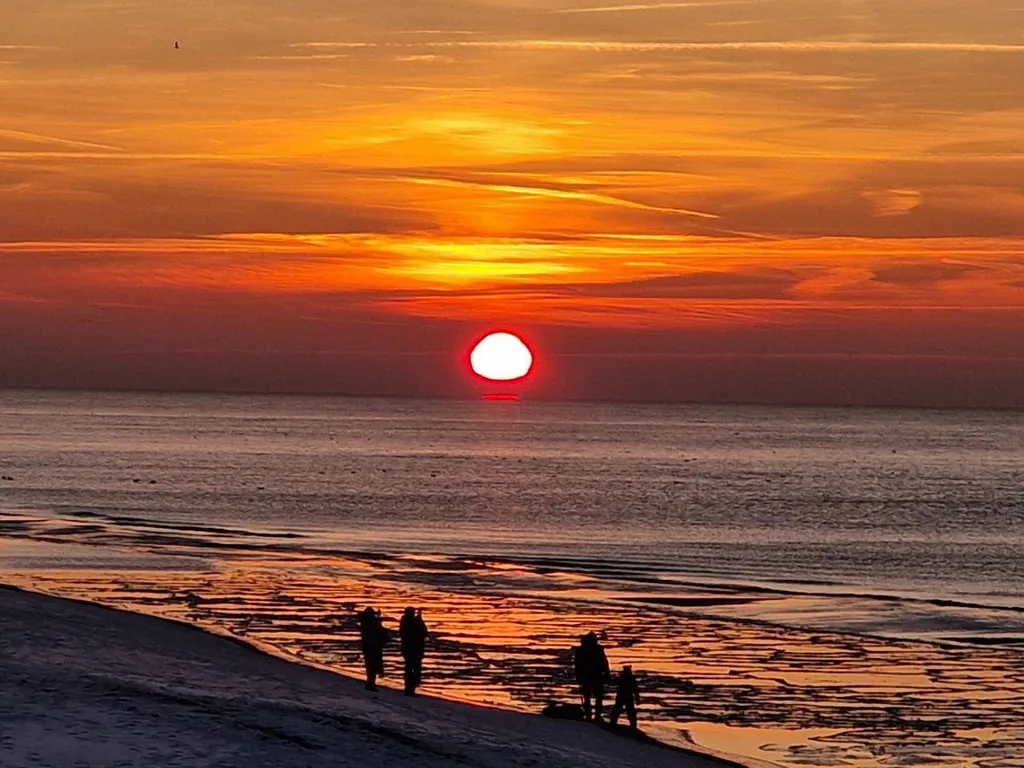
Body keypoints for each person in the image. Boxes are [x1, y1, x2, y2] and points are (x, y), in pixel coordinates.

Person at [573, 631, 611, 722]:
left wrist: (578, 676)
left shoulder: (582, 649)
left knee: (590, 696)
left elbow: (577, 665)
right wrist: (607, 673)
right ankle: (594, 715)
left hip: (590, 675)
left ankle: (591, 714)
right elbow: (604, 662)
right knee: (596, 696)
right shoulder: (595, 649)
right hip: (593, 675)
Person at [358, 606, 390, 692]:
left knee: (370, 665)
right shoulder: (371, 622)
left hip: (367, 646)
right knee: (373, 665)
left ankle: (370, 683)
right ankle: (371, 684)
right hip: (373, 646)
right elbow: (378, 630)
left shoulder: (364, 621)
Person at [399, 607, 429, 696]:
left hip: (407, 649)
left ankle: (409, 689)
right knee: (414, 670)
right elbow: (423, 631)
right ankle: (410, 689)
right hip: (415, 649)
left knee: (409, 669)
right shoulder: (412, 622)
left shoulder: (405, 621)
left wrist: (419, 618)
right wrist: (420, 619)